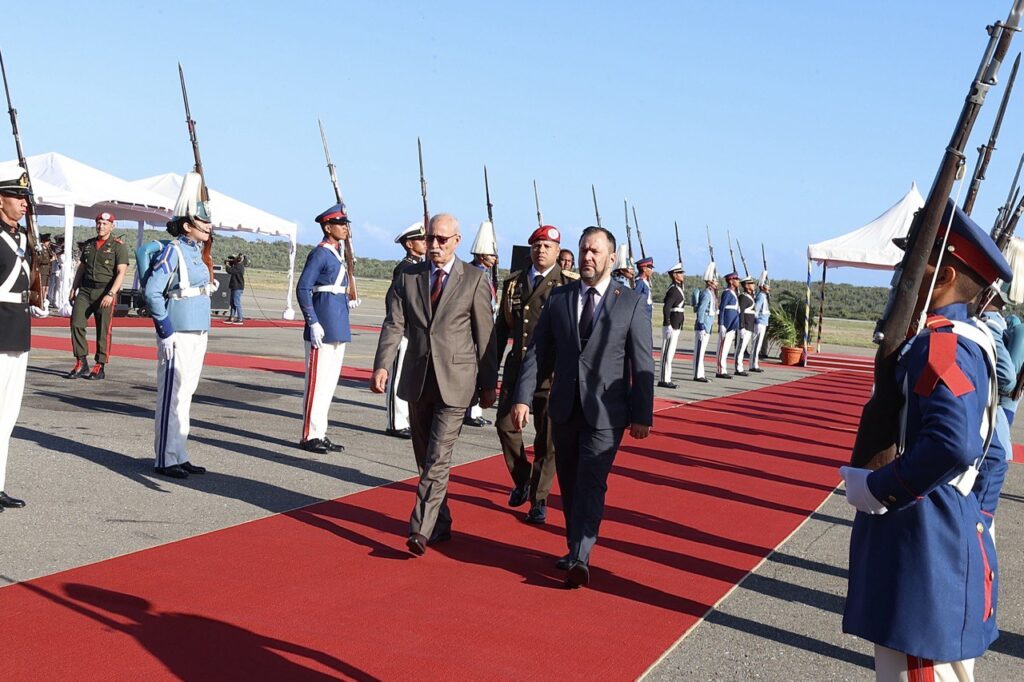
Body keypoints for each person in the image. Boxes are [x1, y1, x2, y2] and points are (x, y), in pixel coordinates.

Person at [841, 199, 1009, 681]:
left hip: (922, 544)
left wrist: (881, 488)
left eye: (915, 262)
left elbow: (954, 443)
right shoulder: (966, 338)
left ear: (947, 275)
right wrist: (974, 517)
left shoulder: (942, 343)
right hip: (942, 534)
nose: (901, 272)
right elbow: (993, 453)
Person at [511, 226, 654, 589]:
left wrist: (642, 414)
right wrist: (522, 397)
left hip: (607, 413)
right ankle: (575, 547)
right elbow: (539, 352)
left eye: (595, 251)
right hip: (564, 408)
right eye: (583, 250)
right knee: (571, 484)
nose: (587, 257)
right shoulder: (560, 298)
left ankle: (580, 556)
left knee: (592, 482)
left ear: (611, 258)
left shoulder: (631, 301)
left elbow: (642, 364)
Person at [370, 213, 498, 556]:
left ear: (457, 241)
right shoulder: (409, 277)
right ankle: (439, 523)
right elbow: (393, 323)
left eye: (442, 239)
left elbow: (484, 335)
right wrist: (382, 364)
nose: (435, 245)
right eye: (431, 239)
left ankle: (420, 529)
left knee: (439, 456)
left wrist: (489, 384)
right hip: (418, 378)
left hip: (456, 382)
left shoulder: (474, 279)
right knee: (424, 456)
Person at [494, 224, 578, 524]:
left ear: (558, 252)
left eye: (547, 247)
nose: (540, 251)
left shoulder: (569, 284)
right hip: (518, 368)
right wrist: (489, 372)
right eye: (537, 245)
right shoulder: (514, 283)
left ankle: (539, 500)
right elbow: (501, 330)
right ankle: (523, 478)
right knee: (505, 425)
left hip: (552, 373)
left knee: (548, 440)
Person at [144, 171, 215, 480]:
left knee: (186, 393)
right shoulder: (174, 251)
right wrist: (165, 329)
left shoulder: (196, 253)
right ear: (188, 225)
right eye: (204, 223)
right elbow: (152, 291)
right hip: (179, 329)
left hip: (198, 328)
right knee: (172, 394)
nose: (209, 227)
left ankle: (179, 452)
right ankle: (165, 457)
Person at [0, 167, 48, 510]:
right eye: (18, 198)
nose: (23, 204)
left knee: (8, 414)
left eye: (25, 199)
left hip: (18, 328)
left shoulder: (21, 239)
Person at [296, 203, 354, 455]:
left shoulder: (337, 253)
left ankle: (320, 431)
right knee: (316, 384)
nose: (345, 228)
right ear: (327, 227)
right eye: (340, 224)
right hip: (323, 326)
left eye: (346, 224)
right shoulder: (320, 253)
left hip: (337, 324)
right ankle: (310, 434)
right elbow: (303, 287)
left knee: (328, 385)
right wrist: (313, 321)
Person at [66, 212, 131, 380]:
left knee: (103, 329)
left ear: (112, 226)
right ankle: (81, 361)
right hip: (86, 290)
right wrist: (74, 288)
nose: (101, 226)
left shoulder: (118, 246)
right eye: (99, 223)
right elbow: (82, 268)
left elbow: (121, 272)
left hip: (105, 292)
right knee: (76, 323)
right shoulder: (89, 245)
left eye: (105, 223)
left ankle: (99, 365)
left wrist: (111, 293)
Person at [385, 221, 426, 439]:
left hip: (415, 332)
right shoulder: (405, 268)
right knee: (398, 377)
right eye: (421, 239)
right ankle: (396, 422)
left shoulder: (419, 266)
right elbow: (394, 301)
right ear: (410, 244)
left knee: (408, 376)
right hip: (403, 330)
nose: (425, 243)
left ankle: (405, 419)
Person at [464, 220, 499, 428]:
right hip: (472, 328)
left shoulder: (487, 274)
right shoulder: (471, 273)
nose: (494, 258)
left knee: (482, 369)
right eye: (491, 254)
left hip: (486, 326)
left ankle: (475, 411)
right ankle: (469, 410)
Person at [658, 262, 686, 388]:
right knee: (667, 353)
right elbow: (666, 308)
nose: (682, 275)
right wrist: (667, 323)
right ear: (674, 275)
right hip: (672, 324)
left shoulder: (678, 288)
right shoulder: (673, 290)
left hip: (677, 324)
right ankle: (663, 379)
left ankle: (667, 377)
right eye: (680, 273)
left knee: (671, 353)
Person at [692, 264, 718, 383]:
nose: (717, 282)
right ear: (710, 281)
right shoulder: (707, 293)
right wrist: (701, 325)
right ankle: (697, 374)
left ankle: (701, 373)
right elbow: (702, 310)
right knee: (699, 351)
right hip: (703, 326)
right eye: (715, 280)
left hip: (708, 325)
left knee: (702, 351)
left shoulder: (712, 293)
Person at [716, 272, 741, 379]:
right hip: (726, 324)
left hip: (733, 324)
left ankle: (723, 368)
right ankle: (720, 370)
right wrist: (721, 324)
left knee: (726, 348)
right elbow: (722, 309)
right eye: (736, 279)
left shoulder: (734, 292)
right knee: (722, 348)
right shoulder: (727, 293)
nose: (738, 281)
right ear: (731, 281)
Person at [735, 276, 757, 376]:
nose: (754, 285)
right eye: (751, 283)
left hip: (750, 325)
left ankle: (740, 366)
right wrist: (741, 326)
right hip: (745, 325)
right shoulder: (743, 297)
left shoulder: (750, 296)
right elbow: (741, 313)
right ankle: (738, 368)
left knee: (743, 348)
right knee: (741, 348)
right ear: (747, 285)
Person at [751, 273, 771, 372]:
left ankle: (754, 364)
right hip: (759, 322)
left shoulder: (764, 296)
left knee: (757, 344)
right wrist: (756, 320)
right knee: (756, 344)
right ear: (762, 286)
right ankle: (754, 364)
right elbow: (756, 310)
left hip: (762, 322)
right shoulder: (761, 296)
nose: (769, 287)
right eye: (767, 285)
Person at [224, 253, 246, 324]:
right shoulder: (237, 265)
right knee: (232, 303)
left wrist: (227, 265)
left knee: (236, 303)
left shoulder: (239, 266)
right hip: (234, 286)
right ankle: (232, 317)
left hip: (238, 287)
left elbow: (230, 271)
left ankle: (240, 318)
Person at [37, 234, 52, 308]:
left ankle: (45, 300)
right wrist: (50, 260)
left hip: (48, 270)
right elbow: (40, 260)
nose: (48, 243)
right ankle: (41, 301)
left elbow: (51, 255)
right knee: (42, 287)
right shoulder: (41, 249)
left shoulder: (48, 249)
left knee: (46, 287)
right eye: (47, 241)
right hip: (43, 270)